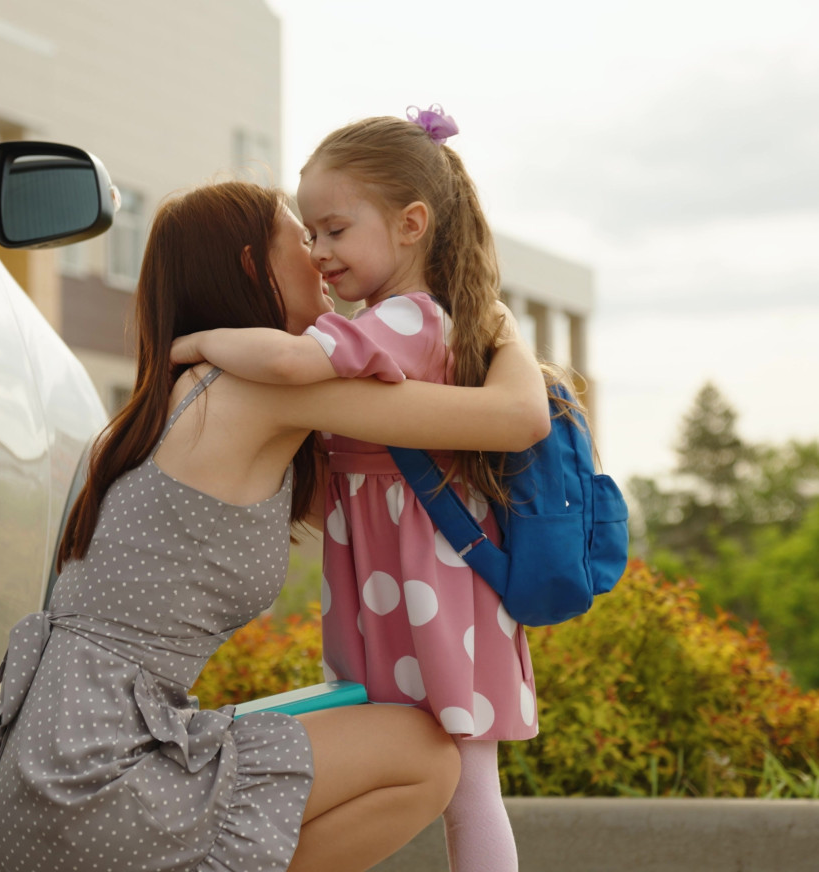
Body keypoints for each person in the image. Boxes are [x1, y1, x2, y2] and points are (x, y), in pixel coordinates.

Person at [0, 179, 550, 872]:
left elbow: (366, 489)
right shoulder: (252, 392)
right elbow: (518, 419)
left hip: (46, 780)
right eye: (303, 239)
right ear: (254, 266)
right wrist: (496, 321)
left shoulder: (155, 414)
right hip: (99, 785)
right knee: (424, 755)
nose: (323, 257)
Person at [171, 107, 572, 872]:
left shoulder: (405, 319)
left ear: (412, 223)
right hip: (406, 578)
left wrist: (195, 344)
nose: (319, 251)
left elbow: (292, 366)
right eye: (311, 235)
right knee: (450, 776)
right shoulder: (417, 320)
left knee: (466, 784)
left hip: (426, 579)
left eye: (334, 230)